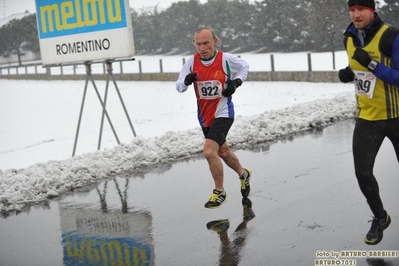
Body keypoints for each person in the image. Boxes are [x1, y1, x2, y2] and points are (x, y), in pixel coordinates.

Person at [338, 0, 399, 245]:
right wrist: (348, 73)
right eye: (352, 10)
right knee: (362, 173)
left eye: (360, 10)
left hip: (397, 116)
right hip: (367, 117)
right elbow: (359, 68)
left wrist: (372, 64)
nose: (355, 15)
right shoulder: (349, 38)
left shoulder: (391, 36)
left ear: (372, 11)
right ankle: (379, 216)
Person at [176, 26, 251, 209]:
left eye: (206, 43)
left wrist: (236, 82)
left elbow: (244, 67)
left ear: (214, 42)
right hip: (205, 116)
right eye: (199, 44)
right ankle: (243, 174)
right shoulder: (191, 62)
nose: (202, 48)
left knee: (209, 151)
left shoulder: (225, 59)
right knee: (223, 152)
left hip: (224, 113)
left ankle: (219, 192)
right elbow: (179, 86)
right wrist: (186, 81)